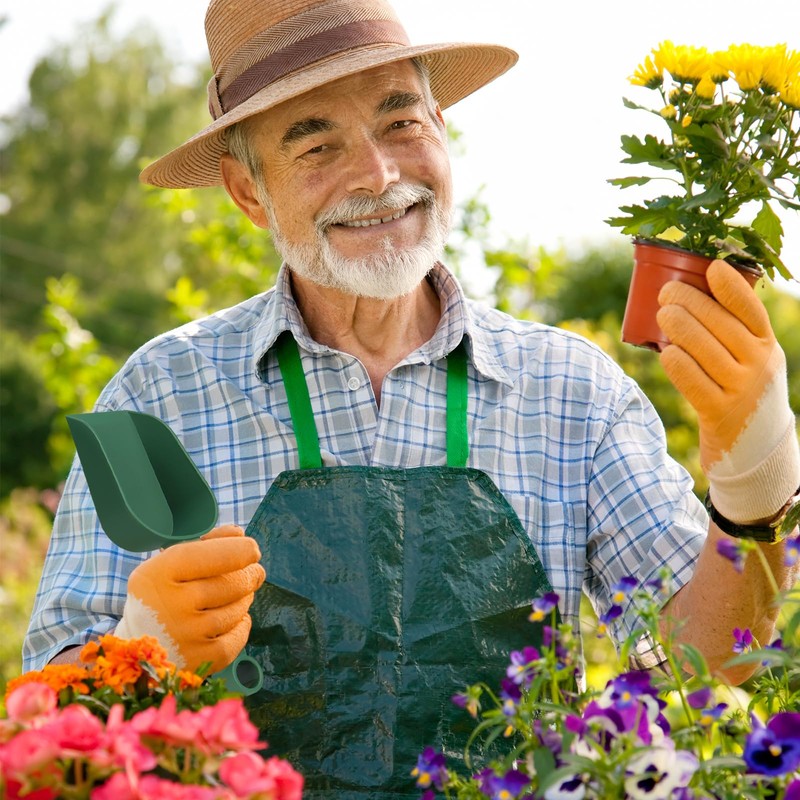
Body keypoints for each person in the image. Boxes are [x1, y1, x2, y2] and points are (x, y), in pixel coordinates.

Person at [25, 0, 799, 795]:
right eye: (318, 144)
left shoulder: (572, 394)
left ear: (442, 129)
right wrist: (136, 647)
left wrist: (753, 489)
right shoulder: (161, 395)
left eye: (402, 124)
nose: (380, 174)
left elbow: (707, 663)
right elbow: (45, 732)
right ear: (247, 193)